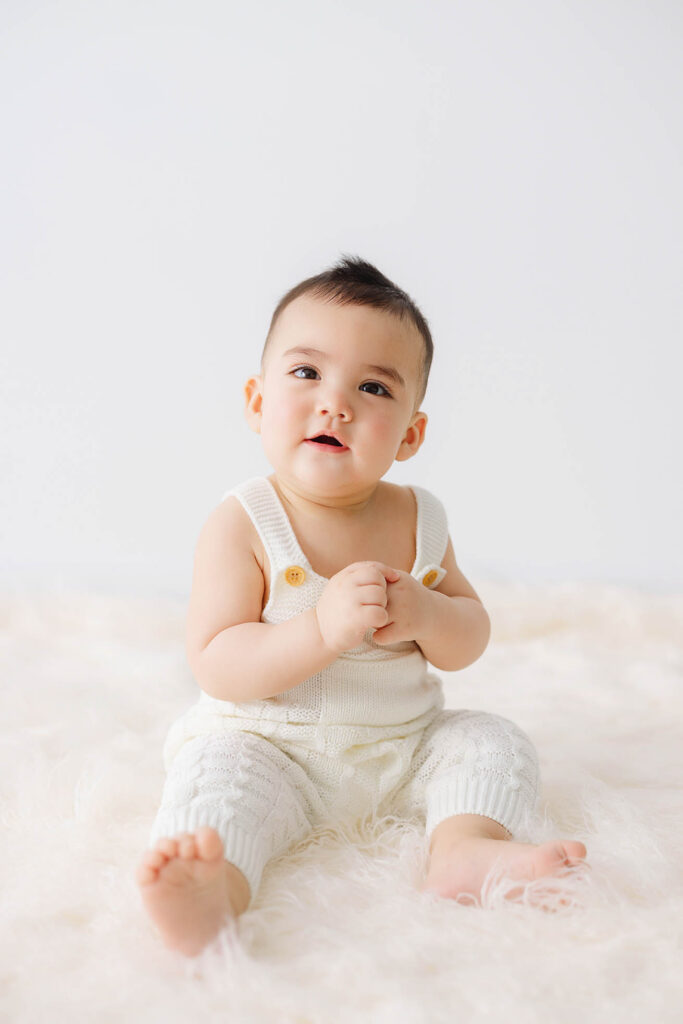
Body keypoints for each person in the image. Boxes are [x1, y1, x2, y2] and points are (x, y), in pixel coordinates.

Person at [136, 255, 588, 956]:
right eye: (307, 373)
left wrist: (429, 616)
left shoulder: (420, 518)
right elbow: (218, 663)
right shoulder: (245, 521)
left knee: (488, 739)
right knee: (219, 780)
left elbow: (468, 636)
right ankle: (212, 891)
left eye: (373, 386)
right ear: (257, 402)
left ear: (409, 434)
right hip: (272, 748)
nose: (334, 402)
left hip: (402, 746)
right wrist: (319, 628)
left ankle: (463, 850)